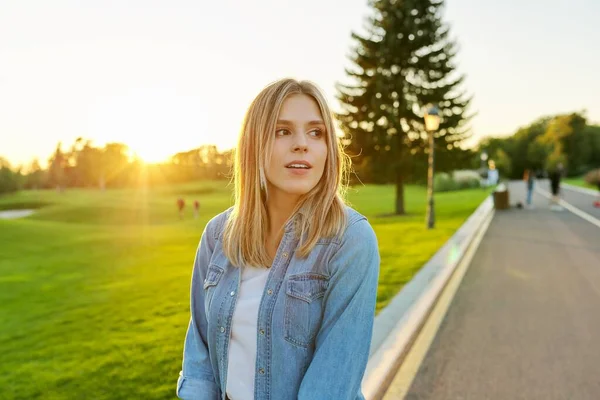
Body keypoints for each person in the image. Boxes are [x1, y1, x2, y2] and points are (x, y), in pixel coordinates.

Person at [176, 79, 380, 400]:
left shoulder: (349, 240)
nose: (302, 144)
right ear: (254, 145)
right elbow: (199, 357)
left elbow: (331, 385)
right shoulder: (217, 235)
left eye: (316, 132)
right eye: (282, 131)